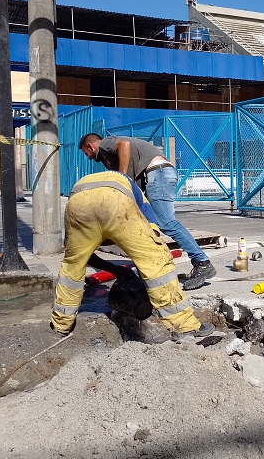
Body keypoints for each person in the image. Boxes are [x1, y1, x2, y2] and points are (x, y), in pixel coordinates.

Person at [51, 169, 214, 341]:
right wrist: (147, 275)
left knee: (72, 266)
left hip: (77, 202)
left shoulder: (93, 185)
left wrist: (115, 270)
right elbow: (153, 239)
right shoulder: (142, 202)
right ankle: (184, 327)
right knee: (156, 258)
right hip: (114, 200)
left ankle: (61, 326)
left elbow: (86, 256)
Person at [78, 133, 217, 290]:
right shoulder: (113, 156)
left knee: (166, 222)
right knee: (152, 224)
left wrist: (122, 179)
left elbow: (124, 145)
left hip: (158, 173)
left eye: (86, 153)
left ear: (90, 146)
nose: (88, 157)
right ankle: (154, 266)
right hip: (159, 174)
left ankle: (202, 262)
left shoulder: (105, 144)